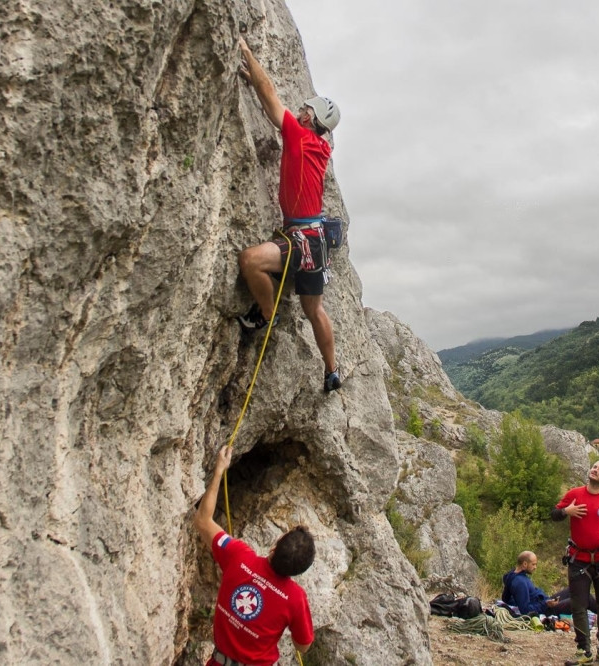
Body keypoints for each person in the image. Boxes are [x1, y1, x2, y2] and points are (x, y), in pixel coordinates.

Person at [236, 37, 342, 393]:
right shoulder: (319, 146)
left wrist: (249, 56)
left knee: (251, 261)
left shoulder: (300, 136)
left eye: (304, 109)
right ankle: (332, 370)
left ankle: (267, 314)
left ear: (311, 118)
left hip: (299, 239)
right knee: (315, 311)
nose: (299, 111)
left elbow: (270, 97)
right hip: (317, 241)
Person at [194, 447, 316, 665]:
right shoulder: (295, 599)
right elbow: (303, 646)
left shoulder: (238, 556)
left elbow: (203, 520)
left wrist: (219, 471)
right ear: (299, 570)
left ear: (275, 546)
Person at [551, 460, 599, 665]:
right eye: (594, 467)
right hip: (579, 559)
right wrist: (567, 511)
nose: (595, 470)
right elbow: (554, 514)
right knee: (579, 605)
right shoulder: (574, 494)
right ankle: (583, 650)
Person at [500, 550, 596, 616]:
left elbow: (505, 598)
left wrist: (514, 601)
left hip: (545, 602)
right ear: (525, 564)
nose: (535, 567)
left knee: (575, 589)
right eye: (533, 564)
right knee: (584, 598)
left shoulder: (512, 575)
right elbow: (525, 611)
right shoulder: (520, 583)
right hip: (547, 610)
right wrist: (546, 604)